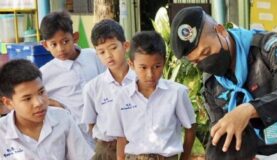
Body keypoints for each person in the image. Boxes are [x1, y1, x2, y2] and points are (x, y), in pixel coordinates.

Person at [170, 6, 277, 160]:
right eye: (196, 61)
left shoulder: (269, 48)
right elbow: (224, 138)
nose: (204, 63)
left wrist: (249, 110)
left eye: (206, 52)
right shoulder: (212, 85)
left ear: (221, 31)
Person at [106, 31, 196, 160]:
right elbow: (121, 137)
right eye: (143, 67)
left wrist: (184, 158)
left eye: (157, 66)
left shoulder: (177, 93)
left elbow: (190, 128)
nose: (150, 74)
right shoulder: (122, 96)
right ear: (131, 65)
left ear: (164, 63)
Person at [0, 59, 94, 159]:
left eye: (41, 92)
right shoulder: (2, 132)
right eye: (27, 98)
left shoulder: (62, 117)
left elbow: (82, 157)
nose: (39, 103)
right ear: (8, 103)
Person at [39, 11, 105, 147]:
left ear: (75, 37)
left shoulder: (94, 56)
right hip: (77, 139)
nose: (60, 49)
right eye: (54, 44)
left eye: (65, 41)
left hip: (106, 131)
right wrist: (53, 103)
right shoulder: (44, 74)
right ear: (45, 45)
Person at [81, 19, 136, 160]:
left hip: (137, 146)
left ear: (126, 46)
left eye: (113, 48)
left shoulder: (141, 81)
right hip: (106, 149)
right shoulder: (92, 88)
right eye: (101, 51)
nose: (108, 56)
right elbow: (91, 124)